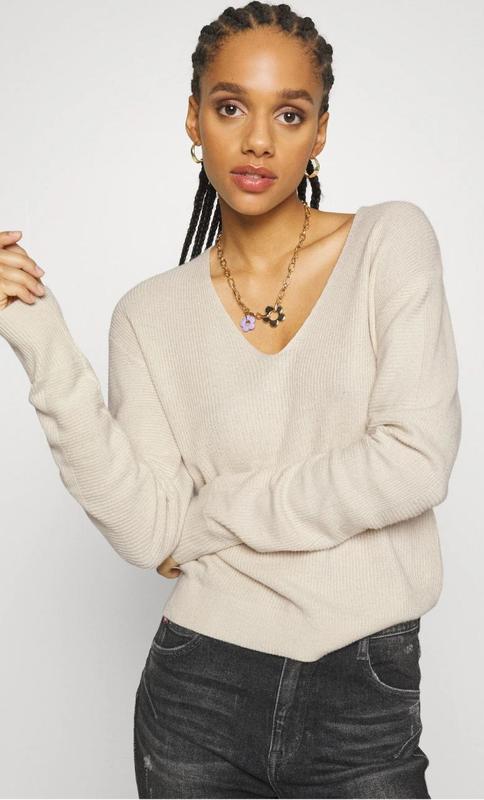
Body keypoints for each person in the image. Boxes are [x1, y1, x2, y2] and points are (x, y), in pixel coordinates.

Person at [0, 2, 461, 798]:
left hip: (365, 690)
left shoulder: (391, 243)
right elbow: (151, 530)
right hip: (197, 693)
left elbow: (414, 463)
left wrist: (213, 513)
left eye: (289, 114)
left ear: (319, 133)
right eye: (230, 107)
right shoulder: (149, 315)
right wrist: (36, 333)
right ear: (194, 119)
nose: (257, 141)